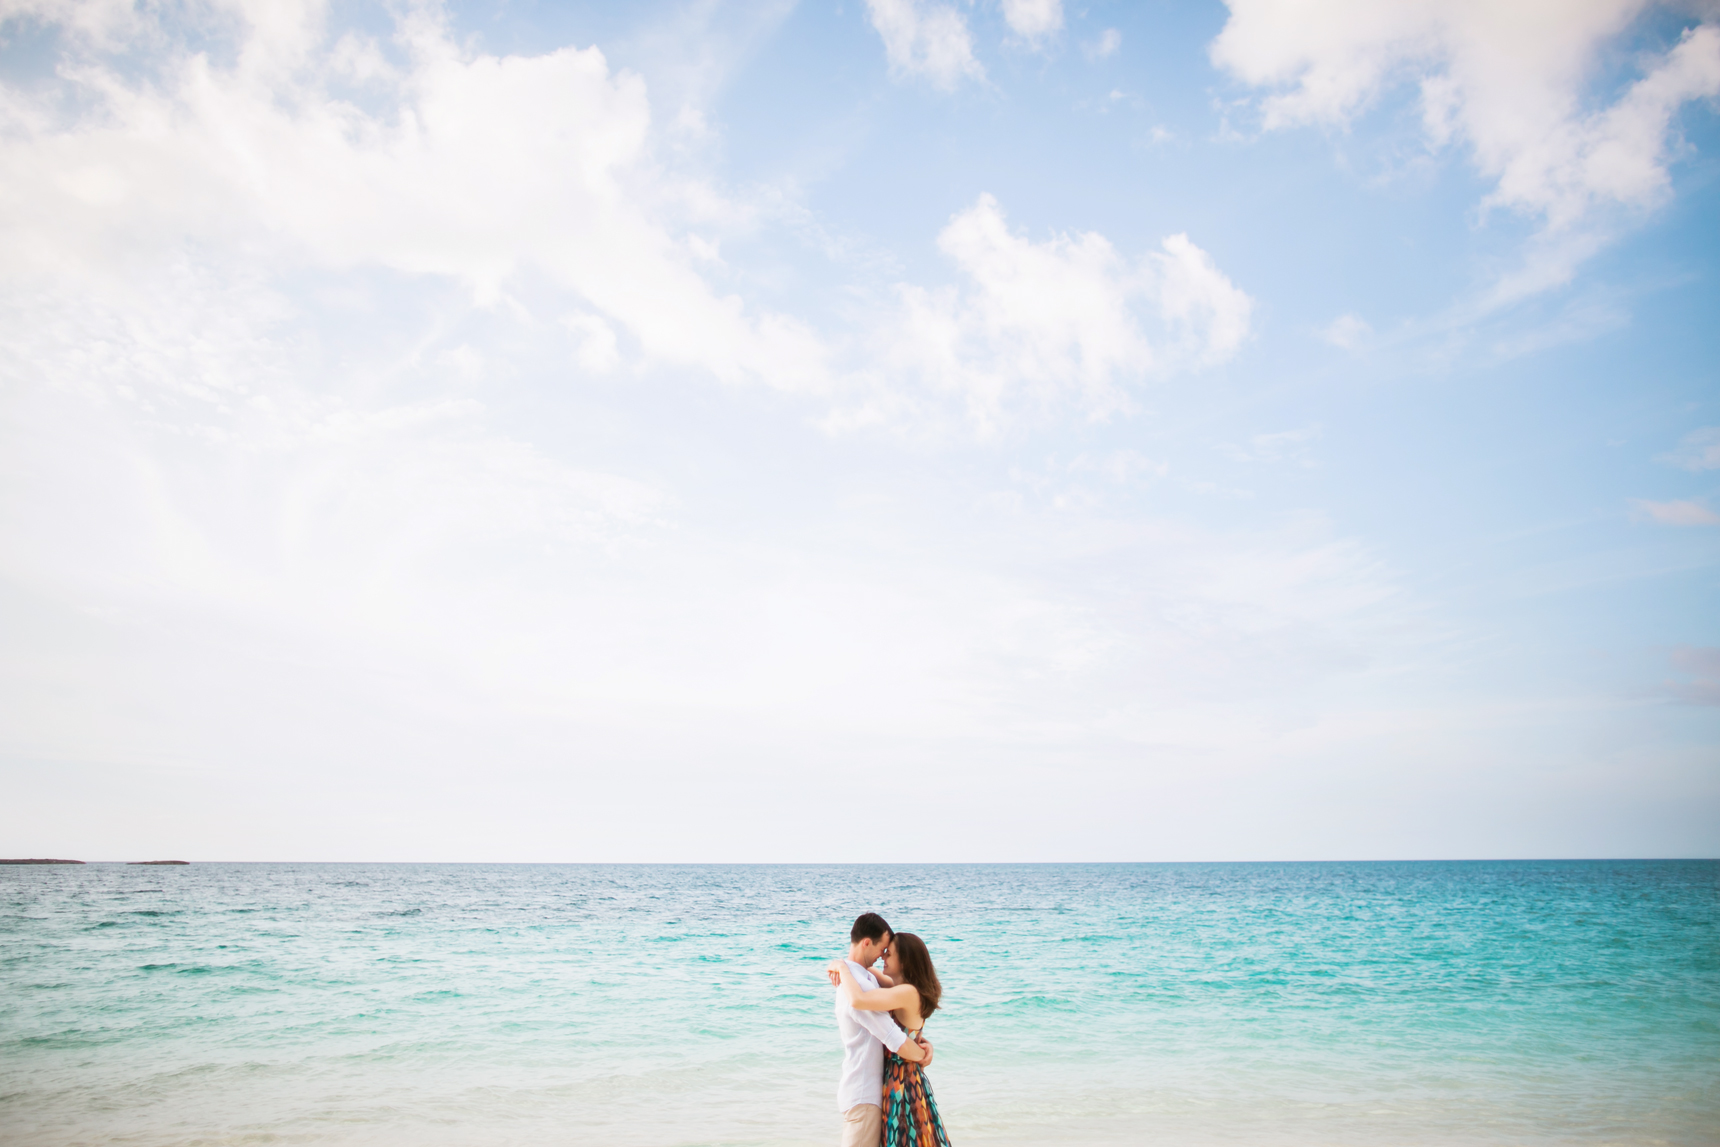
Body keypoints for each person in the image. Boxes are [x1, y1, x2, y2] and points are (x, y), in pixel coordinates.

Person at [830, 931, 952, 1147]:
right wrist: (840, 965)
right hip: (901, 1077)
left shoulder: (907, 992)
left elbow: (859, 999)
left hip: (902, 1082)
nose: (883, 956)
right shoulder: (899, 988)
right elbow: (866, 968)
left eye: (889, 954)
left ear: (904, 961)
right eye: (883, 952)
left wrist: (841, 968)